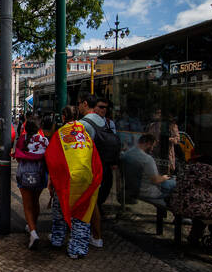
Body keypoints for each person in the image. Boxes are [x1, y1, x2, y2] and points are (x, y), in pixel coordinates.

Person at [45, 106, 103, 259]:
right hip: (86, 178)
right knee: (81, 213)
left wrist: (52, 180)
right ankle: (77, 248)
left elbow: (52, 160)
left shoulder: (59, 134)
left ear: (63, 117)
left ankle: (58, 239)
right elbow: (94, 156)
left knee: (60, 211)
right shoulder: (84, 134)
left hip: (66, 180)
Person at [78, 94, 119, 249]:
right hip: (105, 167)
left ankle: (95, 235)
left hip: (92, 168)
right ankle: (95, 234)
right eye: (101, 107)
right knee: (95, 202)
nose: (78, 107)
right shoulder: (108, 123)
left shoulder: (83, 124)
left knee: (91, 202)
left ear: (86, 104)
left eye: (80, 104)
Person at [13, 115, 49, 250]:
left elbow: (18, 159)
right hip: (40, 175)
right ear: (39, 128)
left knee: (27, 205)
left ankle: (33, 232)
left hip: (24, 175)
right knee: (36, 201)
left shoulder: (22, 140)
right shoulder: (44, 140)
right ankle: (33, 224)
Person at [121, 134, 176, 205]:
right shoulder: (147, 159)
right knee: (175, 183)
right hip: (147, 191)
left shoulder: (127, 154)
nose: (152, 149)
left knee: (169, 182)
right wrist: (164, 177)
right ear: (148, 144)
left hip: (132, 187)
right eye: (152, 146)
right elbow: (155, 180)